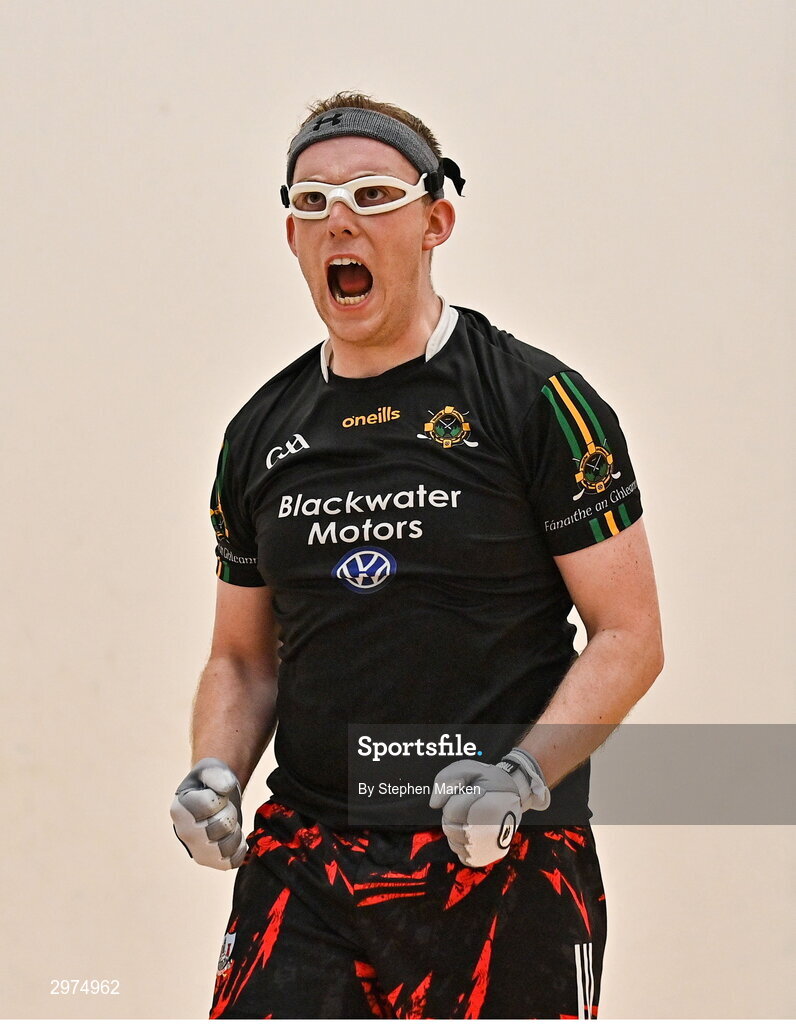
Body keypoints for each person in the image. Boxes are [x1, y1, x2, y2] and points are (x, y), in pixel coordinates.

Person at [170, 92, 663, 1020]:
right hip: (307, 867)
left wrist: (521, 778)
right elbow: (241, 657)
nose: (339, 220)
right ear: (290, 237)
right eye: (311, 203)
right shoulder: (258, 434)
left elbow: (629, 635)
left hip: (504, 861)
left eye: (371, 194)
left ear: (437, 220)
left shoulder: (539, 401)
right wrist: (215, 773)